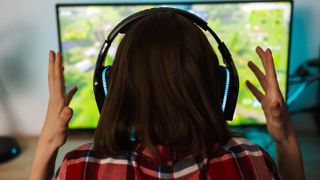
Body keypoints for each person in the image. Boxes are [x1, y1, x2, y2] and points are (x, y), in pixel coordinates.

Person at [29, 11, 305, 180]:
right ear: (220, 87)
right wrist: (285, 137)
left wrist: (48, 142)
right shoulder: (250, 160)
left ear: (112, 91)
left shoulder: (80, 167)